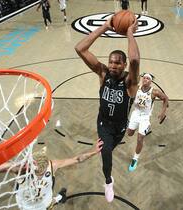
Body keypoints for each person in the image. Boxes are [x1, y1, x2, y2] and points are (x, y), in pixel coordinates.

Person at [74, 17, 139, 202]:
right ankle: (108, 181)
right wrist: (104, 27)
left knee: (110, 147)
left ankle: (109, 157)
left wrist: (129, 34)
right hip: (103, 123)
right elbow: (80, 48)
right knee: (106, 151)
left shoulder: (130, 82)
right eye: (111, 62)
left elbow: (134, 59)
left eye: (118, 63)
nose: (113, 66)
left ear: (124, 65)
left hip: (120, 127)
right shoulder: (103, 73)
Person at [0, 139, 104, 210]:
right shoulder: (20, 169)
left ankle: (59, 197)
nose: (40, 173)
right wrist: (12, 165)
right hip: (27, 206)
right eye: (37, 171)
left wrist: (94, 152)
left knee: (50, 203)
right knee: (51, 202)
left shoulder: (52, 165)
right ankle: (60, 197)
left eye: (42, 171)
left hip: (44, 201)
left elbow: (77, 159)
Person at [127, 73, 168, 172]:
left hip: (145, 117)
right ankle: (141, 129)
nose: (145, 79)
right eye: (144, 78)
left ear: (151, 81)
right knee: (129, 133)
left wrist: (163, 112)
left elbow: (165, 98)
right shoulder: (136, 88)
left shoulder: (154, 92)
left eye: (148, 78)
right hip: (136, 114)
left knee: (140, 138)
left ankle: (135, 159)